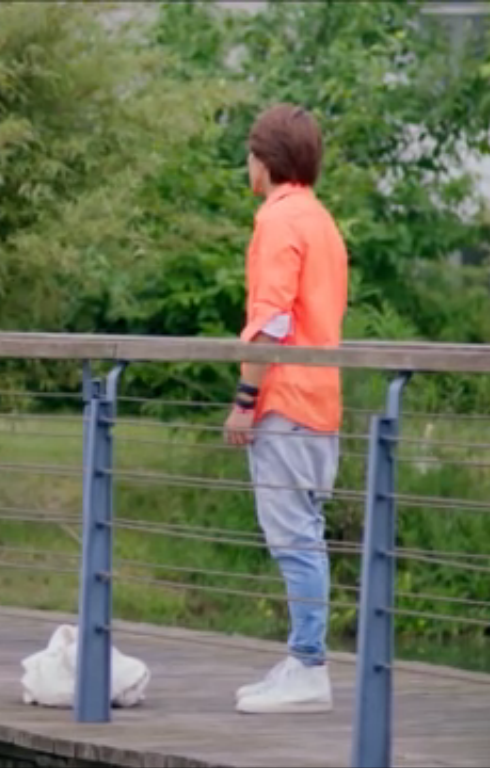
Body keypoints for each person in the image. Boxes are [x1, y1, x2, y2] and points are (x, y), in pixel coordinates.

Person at [223, 104, 348, 715]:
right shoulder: (319, 218)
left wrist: (244, 401)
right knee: (304, 535)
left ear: (265, 160)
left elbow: (270, 321)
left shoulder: (278, 220)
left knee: (295, 540)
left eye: (251, 153)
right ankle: (302, 659)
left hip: (288, 401)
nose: (247, 164)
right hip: (320, 400)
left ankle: (308, 667)